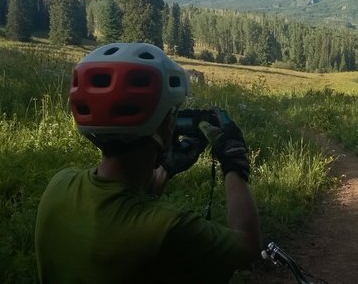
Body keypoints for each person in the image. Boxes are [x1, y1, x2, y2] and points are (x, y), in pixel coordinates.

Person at [35, 42, 261, 283]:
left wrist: (166, 167)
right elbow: (247, 249)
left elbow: (119, 200)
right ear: (165, 127)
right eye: (173, 114)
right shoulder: (168, 227)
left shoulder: (58, 186)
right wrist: (233, 162)